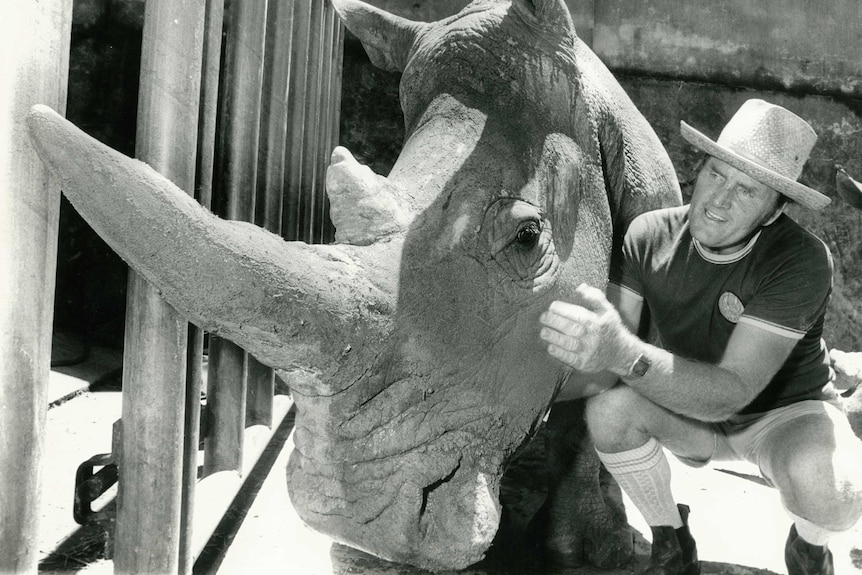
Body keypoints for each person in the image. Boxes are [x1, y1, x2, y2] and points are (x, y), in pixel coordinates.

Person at [539, 99, 862, 575]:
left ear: (775, 211)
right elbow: (606, 369)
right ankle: (671, 539)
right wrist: (539, 380)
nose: (718, 200)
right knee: (609, 409)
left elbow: (729, 391)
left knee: (835, 493)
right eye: (715, 174)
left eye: (747, 191)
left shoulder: (801, 258)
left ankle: (810, 543)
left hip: (784, 416)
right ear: (699, 169)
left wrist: (618, 350)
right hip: (690, 409)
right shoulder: (648, 235)